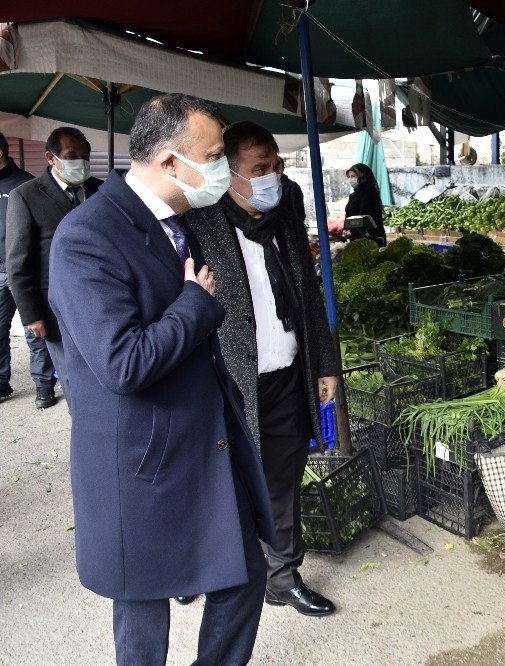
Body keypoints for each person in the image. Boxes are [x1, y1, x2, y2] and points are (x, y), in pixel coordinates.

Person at [47, 93, 276, 665]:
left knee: (245, 574)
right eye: (215, 154)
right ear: (171, 161)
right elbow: (122, 364)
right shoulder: (87, 237)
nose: (222, 165)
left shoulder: (179, 218)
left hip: (202, 437)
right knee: (144, 612)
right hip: (141, 457)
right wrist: (196, 305)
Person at [187, 121, 339, 617]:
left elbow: (310, 293)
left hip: (286, 376)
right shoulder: (200, 223)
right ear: (230, 175)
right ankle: (203, 566)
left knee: (281, 480)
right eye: (260, 169)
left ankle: (281, 575)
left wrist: (325, 363)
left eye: (276, 165)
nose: (273, 176)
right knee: (216, 480)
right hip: (228, 384)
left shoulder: (285, 209)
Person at [5, 127, 102, 406]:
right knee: (72, 374)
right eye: (72, 156)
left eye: (85, 156)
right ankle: (82, 424)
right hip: (54, 305)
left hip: (101, 296)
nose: (80, 162)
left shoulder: (101, 189)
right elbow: (18, 262)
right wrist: (31, 315)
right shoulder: (26, 196)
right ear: (50, 158)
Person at [0, 131, 57, 404]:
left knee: (34, 328)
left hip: (25, 269)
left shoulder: (25, 186)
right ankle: (1, 382)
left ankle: (44, 385)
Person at [344, 162, 386, 246]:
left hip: (371, 239)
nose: (350, 179)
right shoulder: (353, 196)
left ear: (362, 176)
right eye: (349, 177)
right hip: (356, 239)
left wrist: (351, 231)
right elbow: (349, 216)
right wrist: (345, 229)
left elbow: (365, 216)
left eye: (353, 176)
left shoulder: (370, 193)